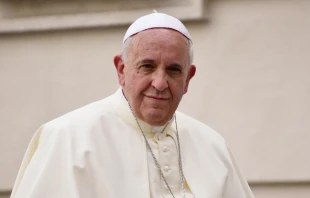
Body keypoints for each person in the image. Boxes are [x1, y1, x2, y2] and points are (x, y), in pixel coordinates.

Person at [11, 12, 254, 198]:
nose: (160, 83)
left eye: (173, 70)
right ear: (121, 70)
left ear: (188, 78)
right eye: (147, 66)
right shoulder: (67, 138)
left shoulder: (213, 146)